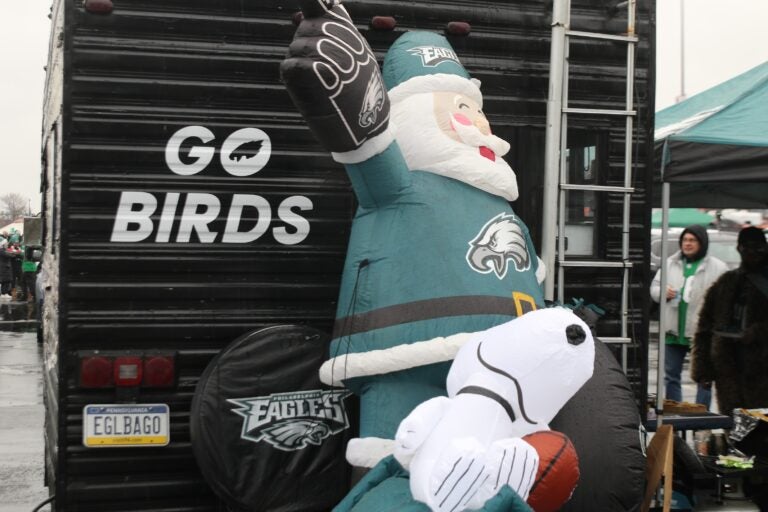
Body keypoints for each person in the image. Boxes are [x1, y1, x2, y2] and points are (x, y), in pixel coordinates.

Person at [691, 226, 768, 417]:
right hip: (728, 370)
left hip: (763, 371)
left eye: (757, 247)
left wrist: (758, 331)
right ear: (739, 248)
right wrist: (703, 371)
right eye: (747, 247)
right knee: (734, 428)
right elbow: (704, 328)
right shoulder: (726, 282)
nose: (752, 252)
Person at [651, 225, 728, 408]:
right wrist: (662, 292)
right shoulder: (670, 263)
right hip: (673, 330)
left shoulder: (718, 267)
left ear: (702, 243)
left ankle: (701, 417)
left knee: (705, 378)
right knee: (671, 376)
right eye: (685, 240)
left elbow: (725, 297)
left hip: (701, 333)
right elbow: (654, 287)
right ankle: (675, 415)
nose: (688, 244)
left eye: (692, 240)